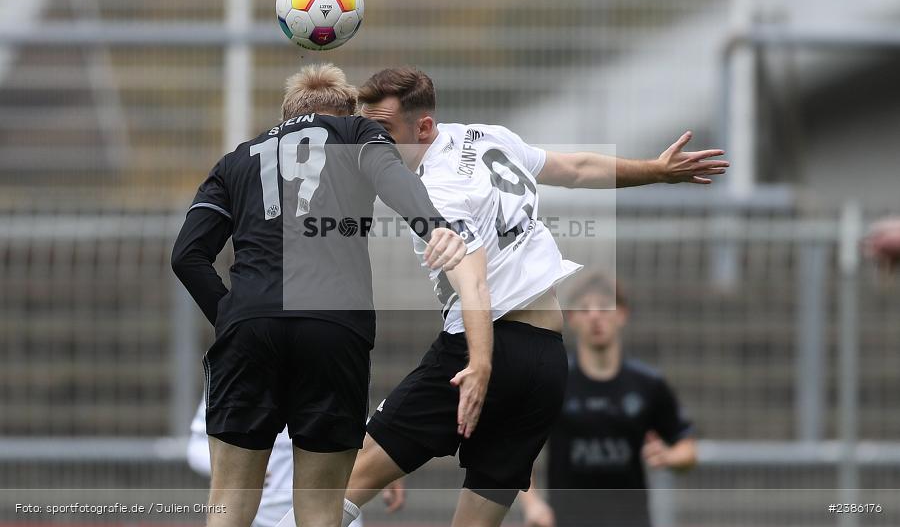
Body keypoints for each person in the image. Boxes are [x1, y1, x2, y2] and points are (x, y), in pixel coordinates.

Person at [274, 66, 726, 527]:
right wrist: (656, 170)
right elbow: (575, 169)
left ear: (424, 127)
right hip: (547, 363)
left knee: (336, 491)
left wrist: (480, 364)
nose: (372, 145)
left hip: (480, 351)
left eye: (384, 132)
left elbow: (476, 282)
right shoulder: (486, 136)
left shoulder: (434, 190)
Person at [170, 63, 467, 527]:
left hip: (250, 326)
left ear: (286, 113)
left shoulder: (236, 159)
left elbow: (187, 256)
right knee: (320, 512)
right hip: (332, 327)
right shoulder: (357, 133)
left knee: (228, 505)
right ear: (347, 112)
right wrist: (435, 227)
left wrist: (230, 316)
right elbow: (394, 179)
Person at [520, 272, 697, 527]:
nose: (595, 316)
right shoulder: (554, 383)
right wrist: (533, 504)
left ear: (622, 314)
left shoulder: (648, 384)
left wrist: (669, 456)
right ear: (571, 317)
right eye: (585, 309)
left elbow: (688, 449)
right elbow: (518, 450)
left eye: (604, 307)